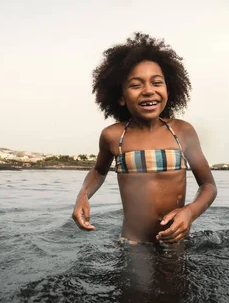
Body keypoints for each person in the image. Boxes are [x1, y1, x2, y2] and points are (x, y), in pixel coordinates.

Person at [72, 33, 218, 245]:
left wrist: (190, 212)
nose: (148, 91)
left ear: (168, 89)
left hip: (174, 244)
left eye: (156, 83)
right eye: (136, 85)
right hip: (131, 244)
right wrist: (83, 195)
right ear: (120, 97)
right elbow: (98, 171)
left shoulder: (182, 132)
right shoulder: (113, 136)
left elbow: (208, 185)